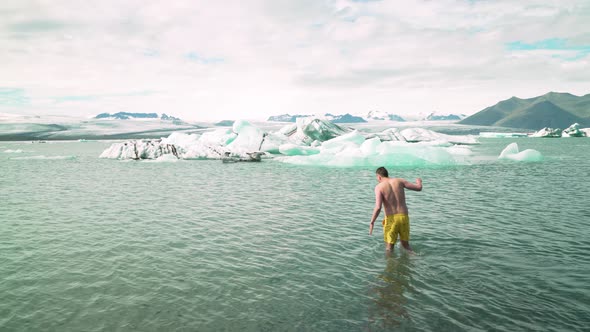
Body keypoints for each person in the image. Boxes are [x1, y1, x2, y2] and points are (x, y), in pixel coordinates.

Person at [369, 167, 422, 253]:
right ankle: (415, 259)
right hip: (403, 217)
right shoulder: (399, 181)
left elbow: (378, 207)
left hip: (391, 219)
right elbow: (419, 188)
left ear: (379, 177)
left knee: (389, 248)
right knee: (406, 246)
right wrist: (419, 181)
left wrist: (372, 222)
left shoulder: (379, 187)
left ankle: (390, 266)